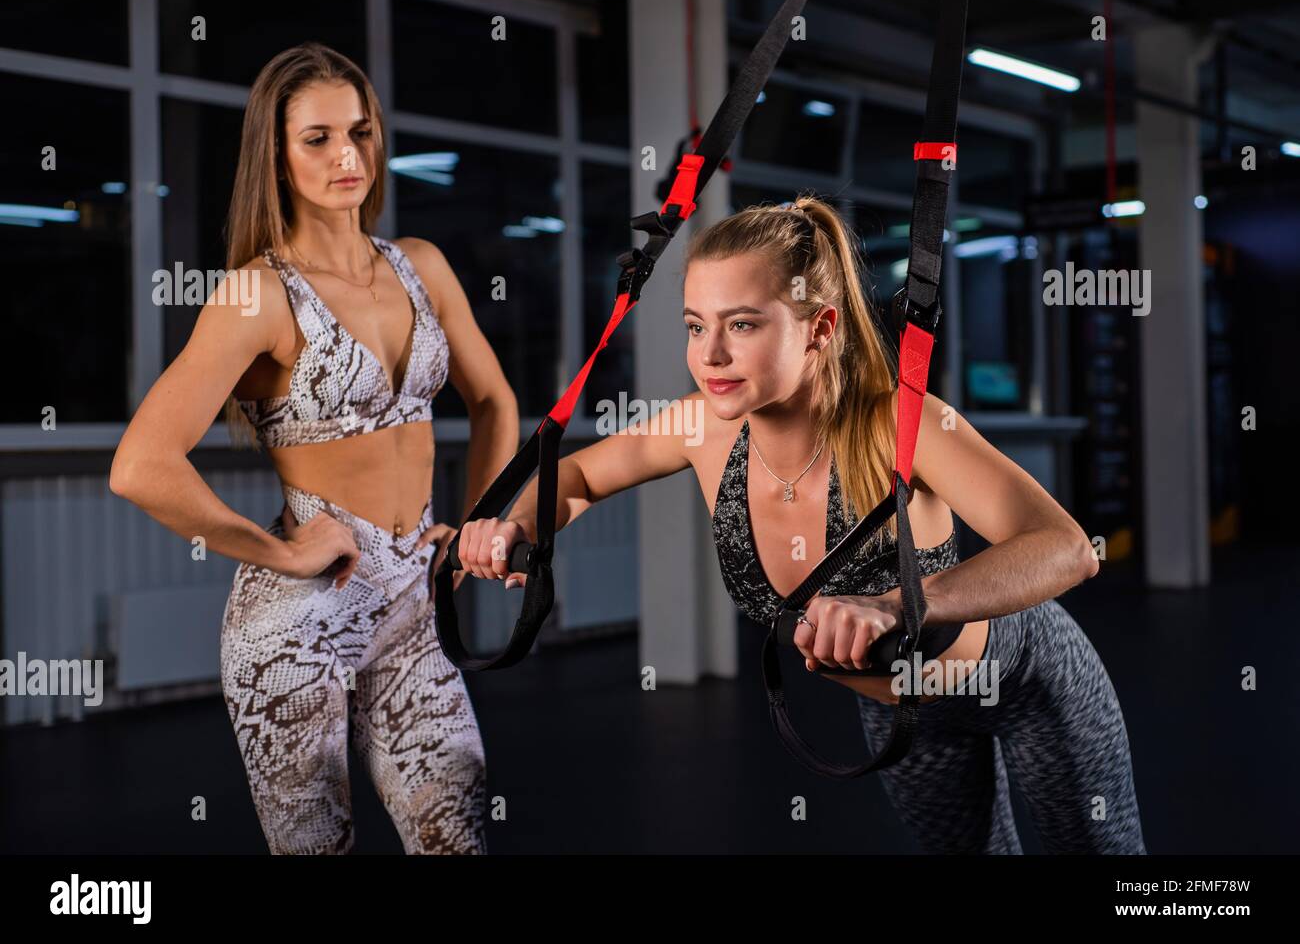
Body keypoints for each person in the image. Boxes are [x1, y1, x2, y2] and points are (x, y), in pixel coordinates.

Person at [453, 194, 1147, 854]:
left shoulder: (898, 423)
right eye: (696, 325)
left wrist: (898, 603)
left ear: (820, 327)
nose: (710, 354)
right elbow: (573, 477)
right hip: (904, 712)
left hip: (1028, 678)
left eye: (743, 323)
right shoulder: (699, 429)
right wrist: (513, 524)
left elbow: (1067, 548)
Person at [110, 43, 518, 854]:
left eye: (361, 132)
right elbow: (139, 465)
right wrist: (279, 552)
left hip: (413, 598)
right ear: (275, 153)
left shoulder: (421, 267)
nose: (348, 156)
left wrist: (475, 525)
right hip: (302, 618)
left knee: (461, 830)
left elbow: (496, 400)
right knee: (316, 849)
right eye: (318, 138)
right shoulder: (257, 295)